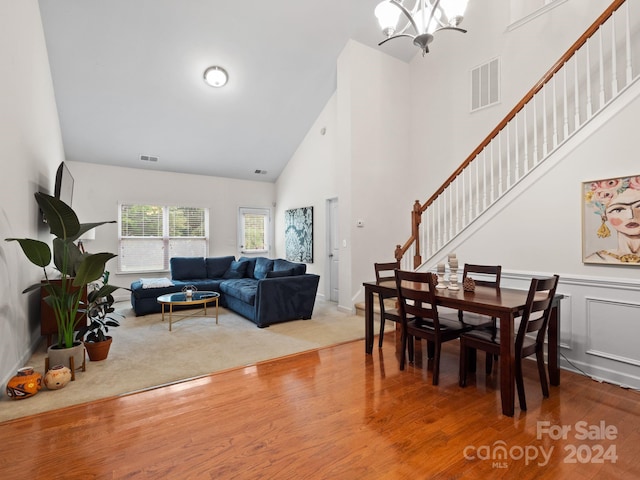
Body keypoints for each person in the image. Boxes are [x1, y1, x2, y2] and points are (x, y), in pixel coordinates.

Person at [584, 176, 640, 264]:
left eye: (639, 206)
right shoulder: (599, 258)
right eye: (618, 209)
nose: (631, 216)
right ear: (604, 215)